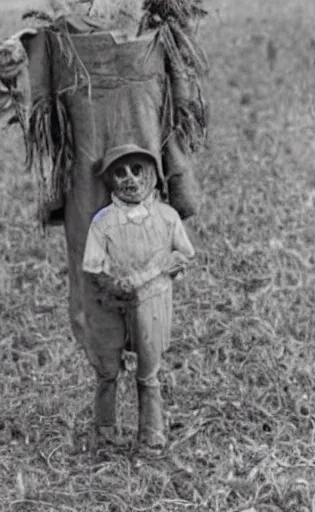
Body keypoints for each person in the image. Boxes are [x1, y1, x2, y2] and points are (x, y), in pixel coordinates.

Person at [81, 143, 195, 453]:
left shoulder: (167, 217)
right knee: (107, 366)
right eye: (120, 173)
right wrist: (115, 285)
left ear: (153, 176)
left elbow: (184, 253)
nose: (130, 179)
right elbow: (93, 266)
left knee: (149, 368)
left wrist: (170, 267)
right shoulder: (103, 222)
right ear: (110, 182)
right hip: (112, 301)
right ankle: (104, 431)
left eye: (137, 170)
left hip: (154, 301)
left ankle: (152, 432)